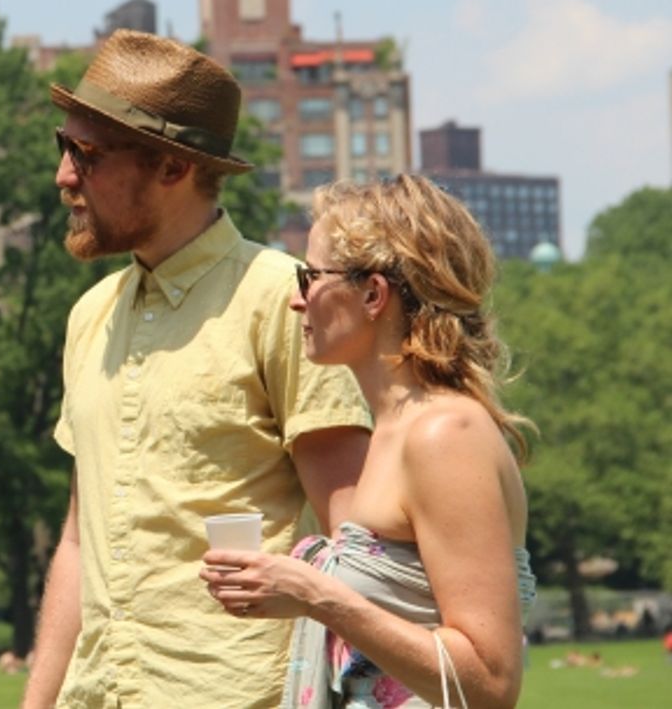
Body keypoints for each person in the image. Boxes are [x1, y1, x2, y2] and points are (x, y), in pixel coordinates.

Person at [21, 31, 373, 709]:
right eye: (62, 147)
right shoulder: (89, 316)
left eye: (86, 154)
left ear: (174, 167)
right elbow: (76, 539)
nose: (64, 176)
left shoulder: (282, 300)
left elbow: (351, 540)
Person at [202, 175, 538, 708]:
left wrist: (315, 595)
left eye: (310, 276)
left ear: (373, 294)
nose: (296, 300)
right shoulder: (396, 429)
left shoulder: (444, 434)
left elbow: (490, 683)